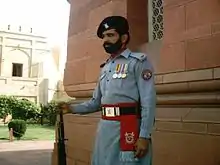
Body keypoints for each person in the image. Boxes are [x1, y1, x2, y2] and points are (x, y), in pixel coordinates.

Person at [58, 15, 156, 165]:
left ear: (123, 38)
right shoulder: (106, 67)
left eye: (110, 35)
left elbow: (148, 101)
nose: (106, 40)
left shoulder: (138, 62)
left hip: (128, 129)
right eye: (104, 36)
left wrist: (144, 136)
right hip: (105, 130)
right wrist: (71, 108)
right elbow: (96, 102)